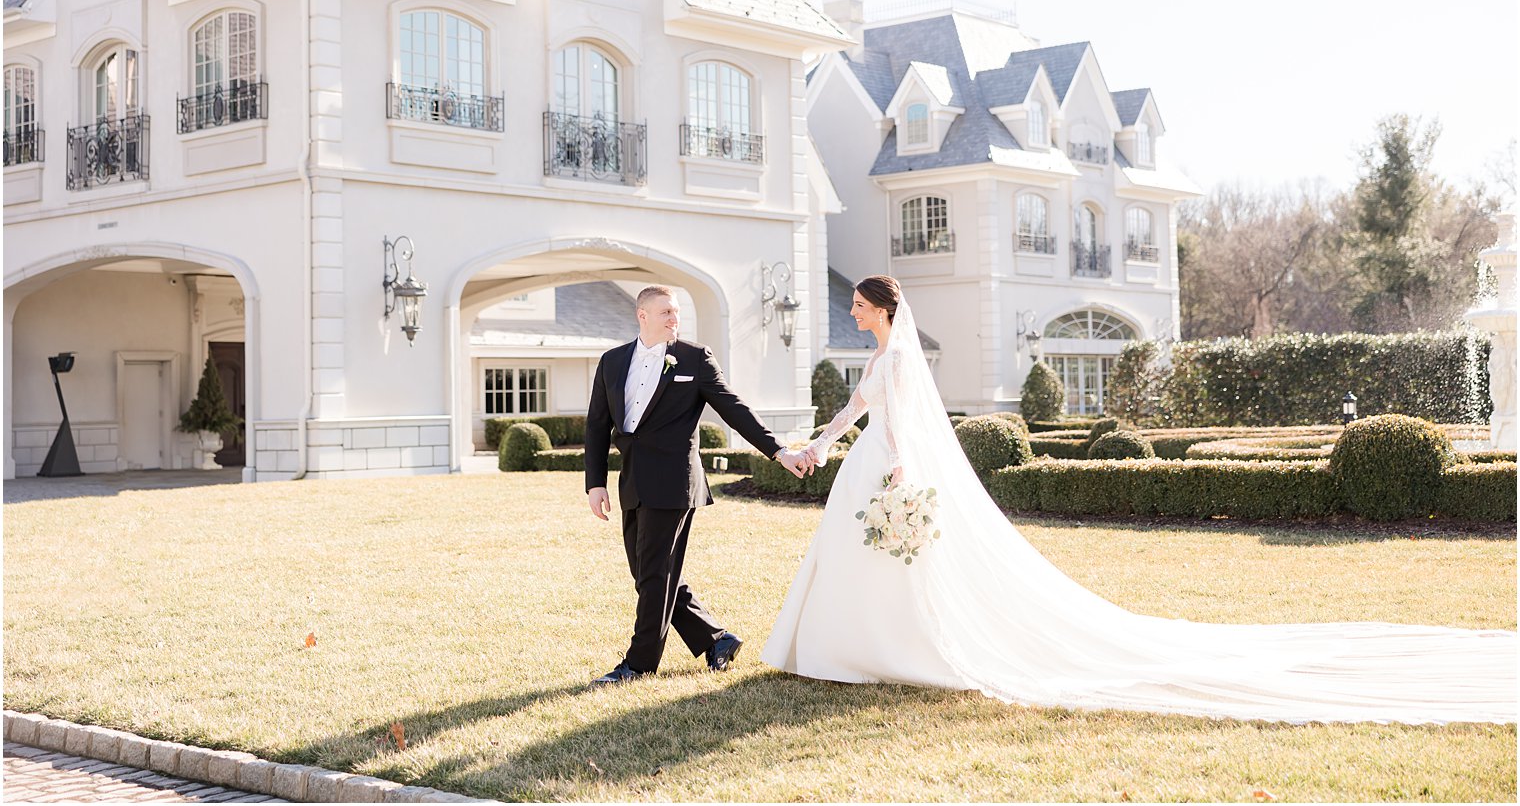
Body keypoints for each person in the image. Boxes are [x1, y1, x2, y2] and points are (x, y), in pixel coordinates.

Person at [761, 274, 1517, 724]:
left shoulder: (898, 356)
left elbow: (906, 427)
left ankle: (888, 648)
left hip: (888, 472)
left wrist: (896, 474)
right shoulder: (878, 354)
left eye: (860, 306)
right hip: (864, 466)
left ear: (881, 308)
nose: (853, 313)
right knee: (854, 559)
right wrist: (819, 447)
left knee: (892, 564)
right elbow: (854, 412)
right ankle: (848, 645)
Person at [585, 284, 809, 685]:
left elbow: (734, 408)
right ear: (643, 316)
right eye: (666, 312)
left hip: (674, 482)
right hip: (632, 480)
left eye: (676, 312)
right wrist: (594, 482)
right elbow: (597, 425)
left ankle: (638, 665)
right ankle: (717, 640)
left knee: (654, 574)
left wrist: (779, 451)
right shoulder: (612, 361)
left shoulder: (694, 358)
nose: (674, 319)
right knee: (649, 573)